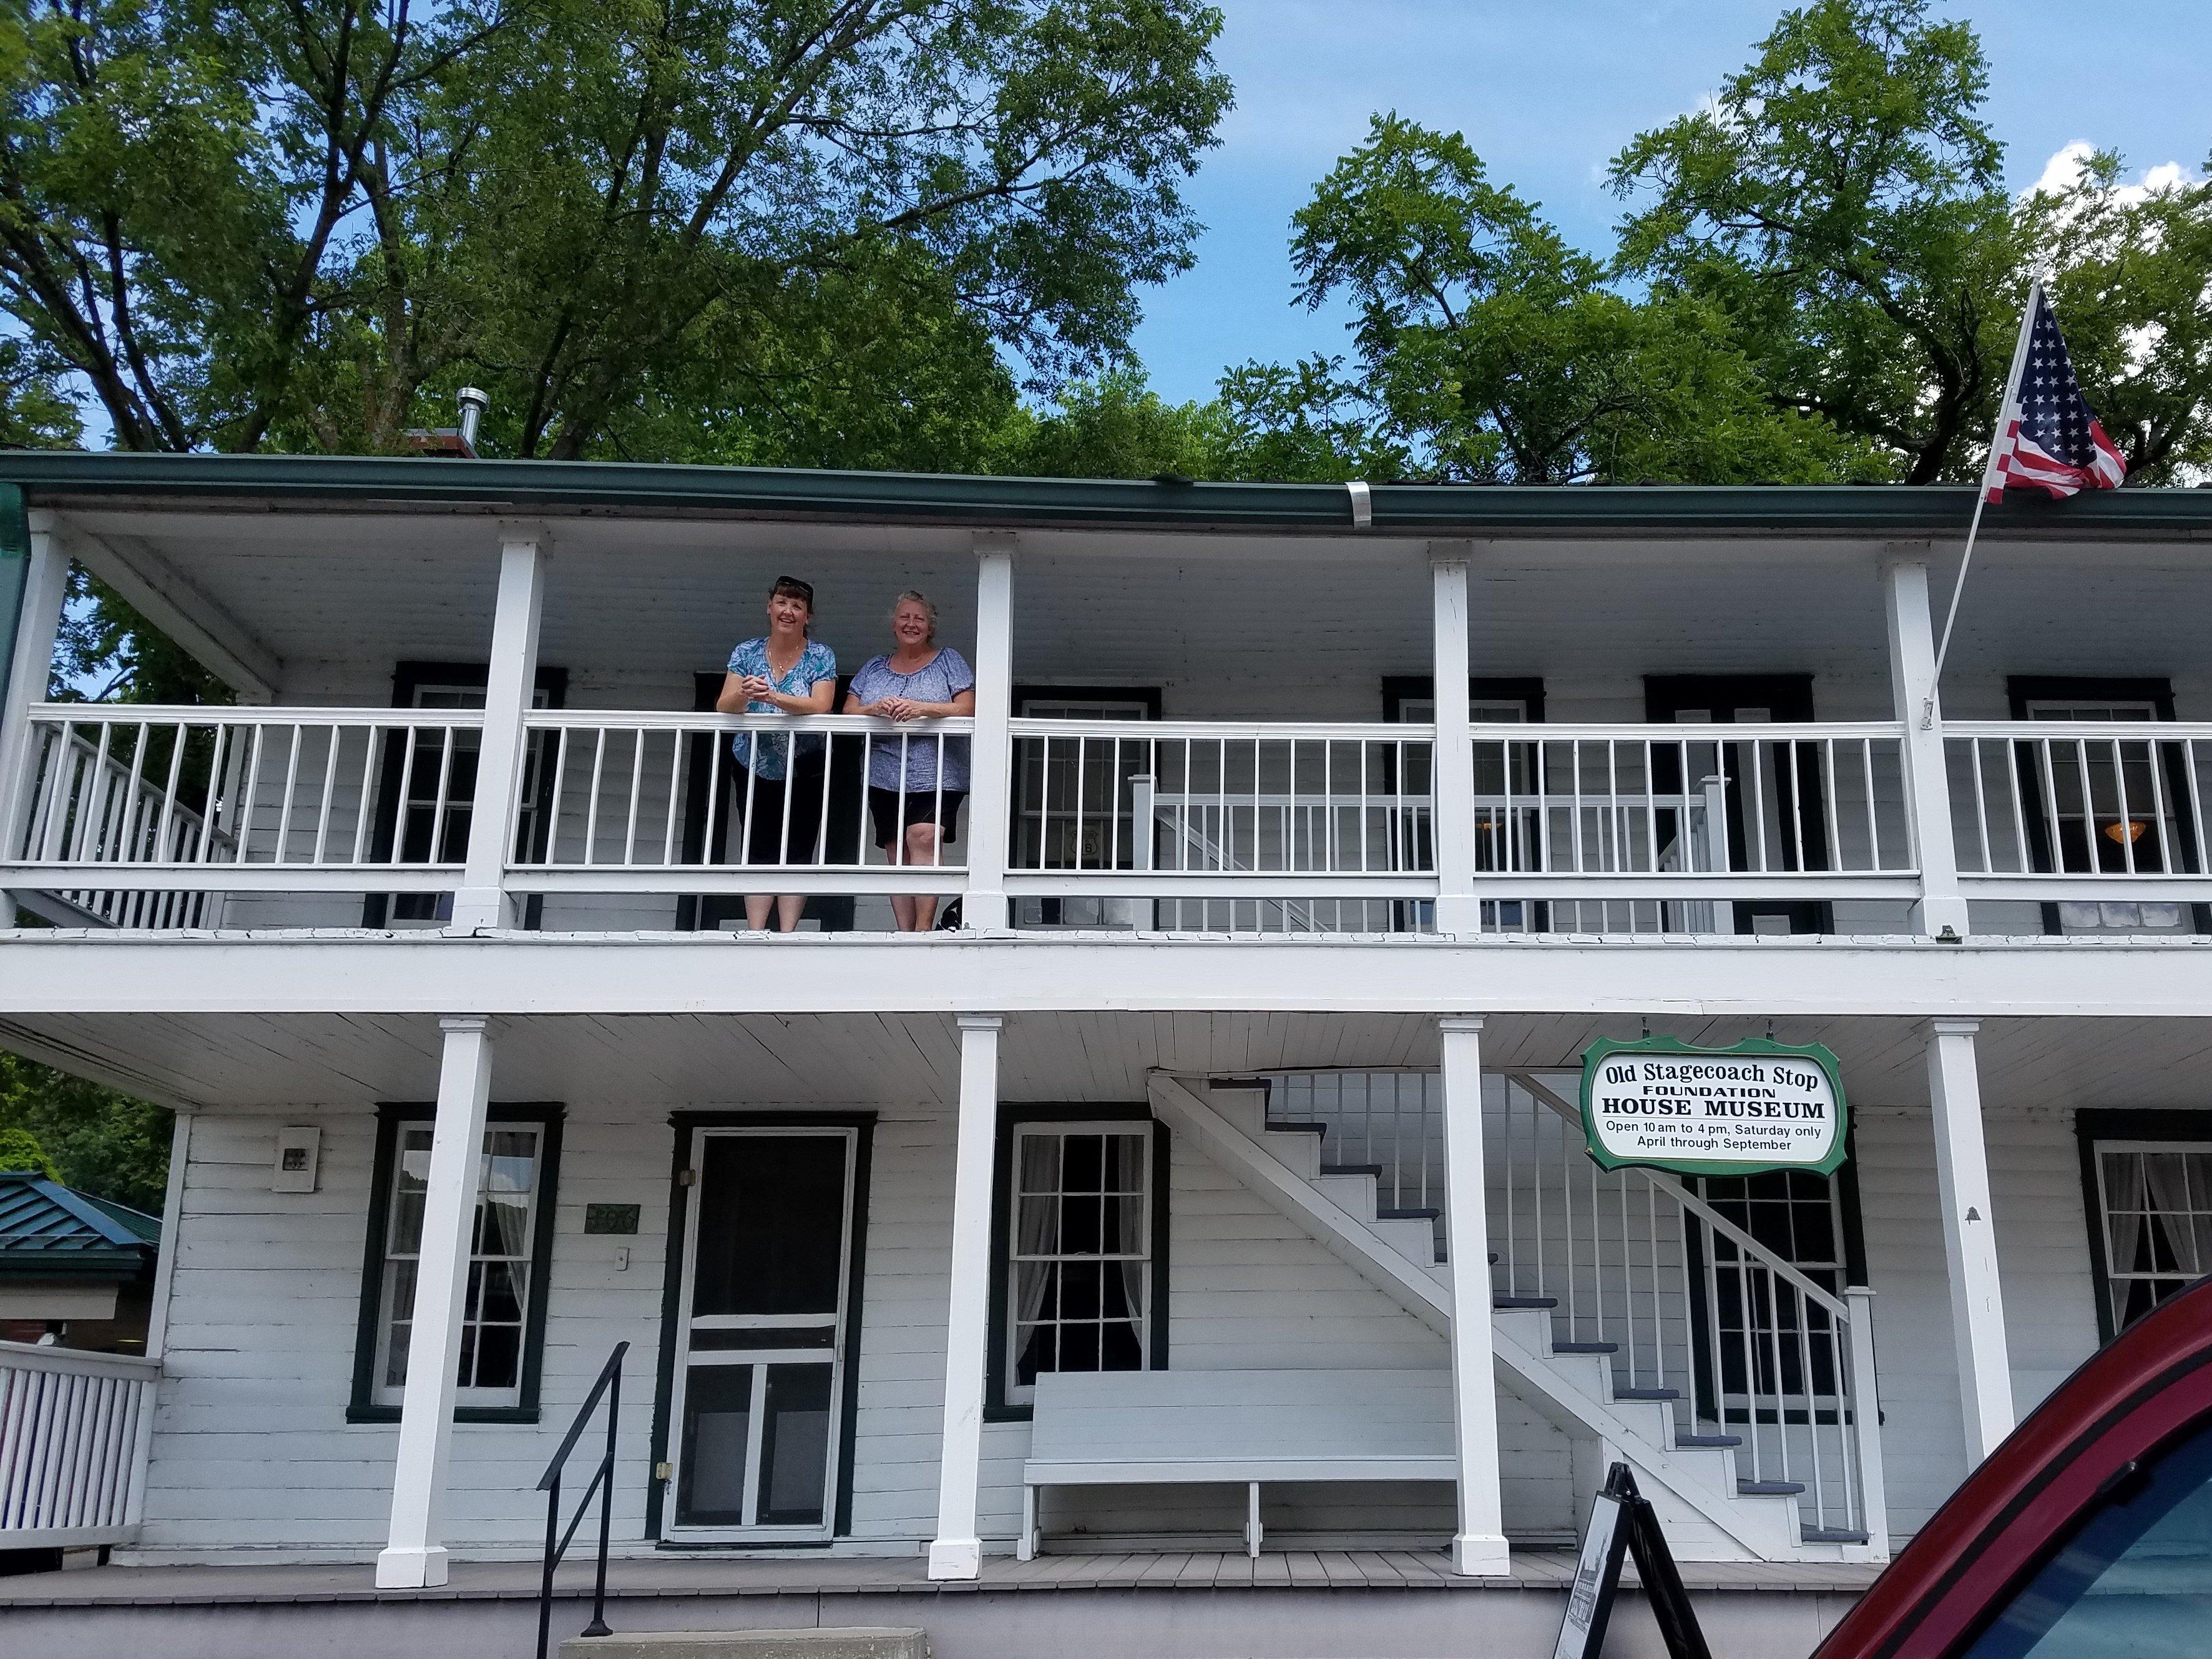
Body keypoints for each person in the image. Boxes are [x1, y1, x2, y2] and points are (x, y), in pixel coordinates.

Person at [844, 591, 976, 931]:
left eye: (919, 618)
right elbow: (849, 712)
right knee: (896, 849)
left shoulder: (948, 660)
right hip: (884, 771)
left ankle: (923, 929)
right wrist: (874, 709)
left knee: (924, 837)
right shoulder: (874, 667)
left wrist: (922, 708)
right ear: (894, 624)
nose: (911, 624)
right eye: (905, 617)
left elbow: (968, 707)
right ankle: (906, 933)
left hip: (938, 769)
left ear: (930, 627)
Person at [720, 575, 836, 932]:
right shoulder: (746, 652)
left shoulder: (820, 655)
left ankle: (788, 933)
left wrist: (771, 697)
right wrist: (745, 694)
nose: (789, 611)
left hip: (805, 765)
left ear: (808, 616)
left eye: (798, 606)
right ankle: (755, 931)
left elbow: (822, 705)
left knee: (799, 845)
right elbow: (726, 704)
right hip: (754, 761)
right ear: (769, 607)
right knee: (757, 843)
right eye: (782, 603)